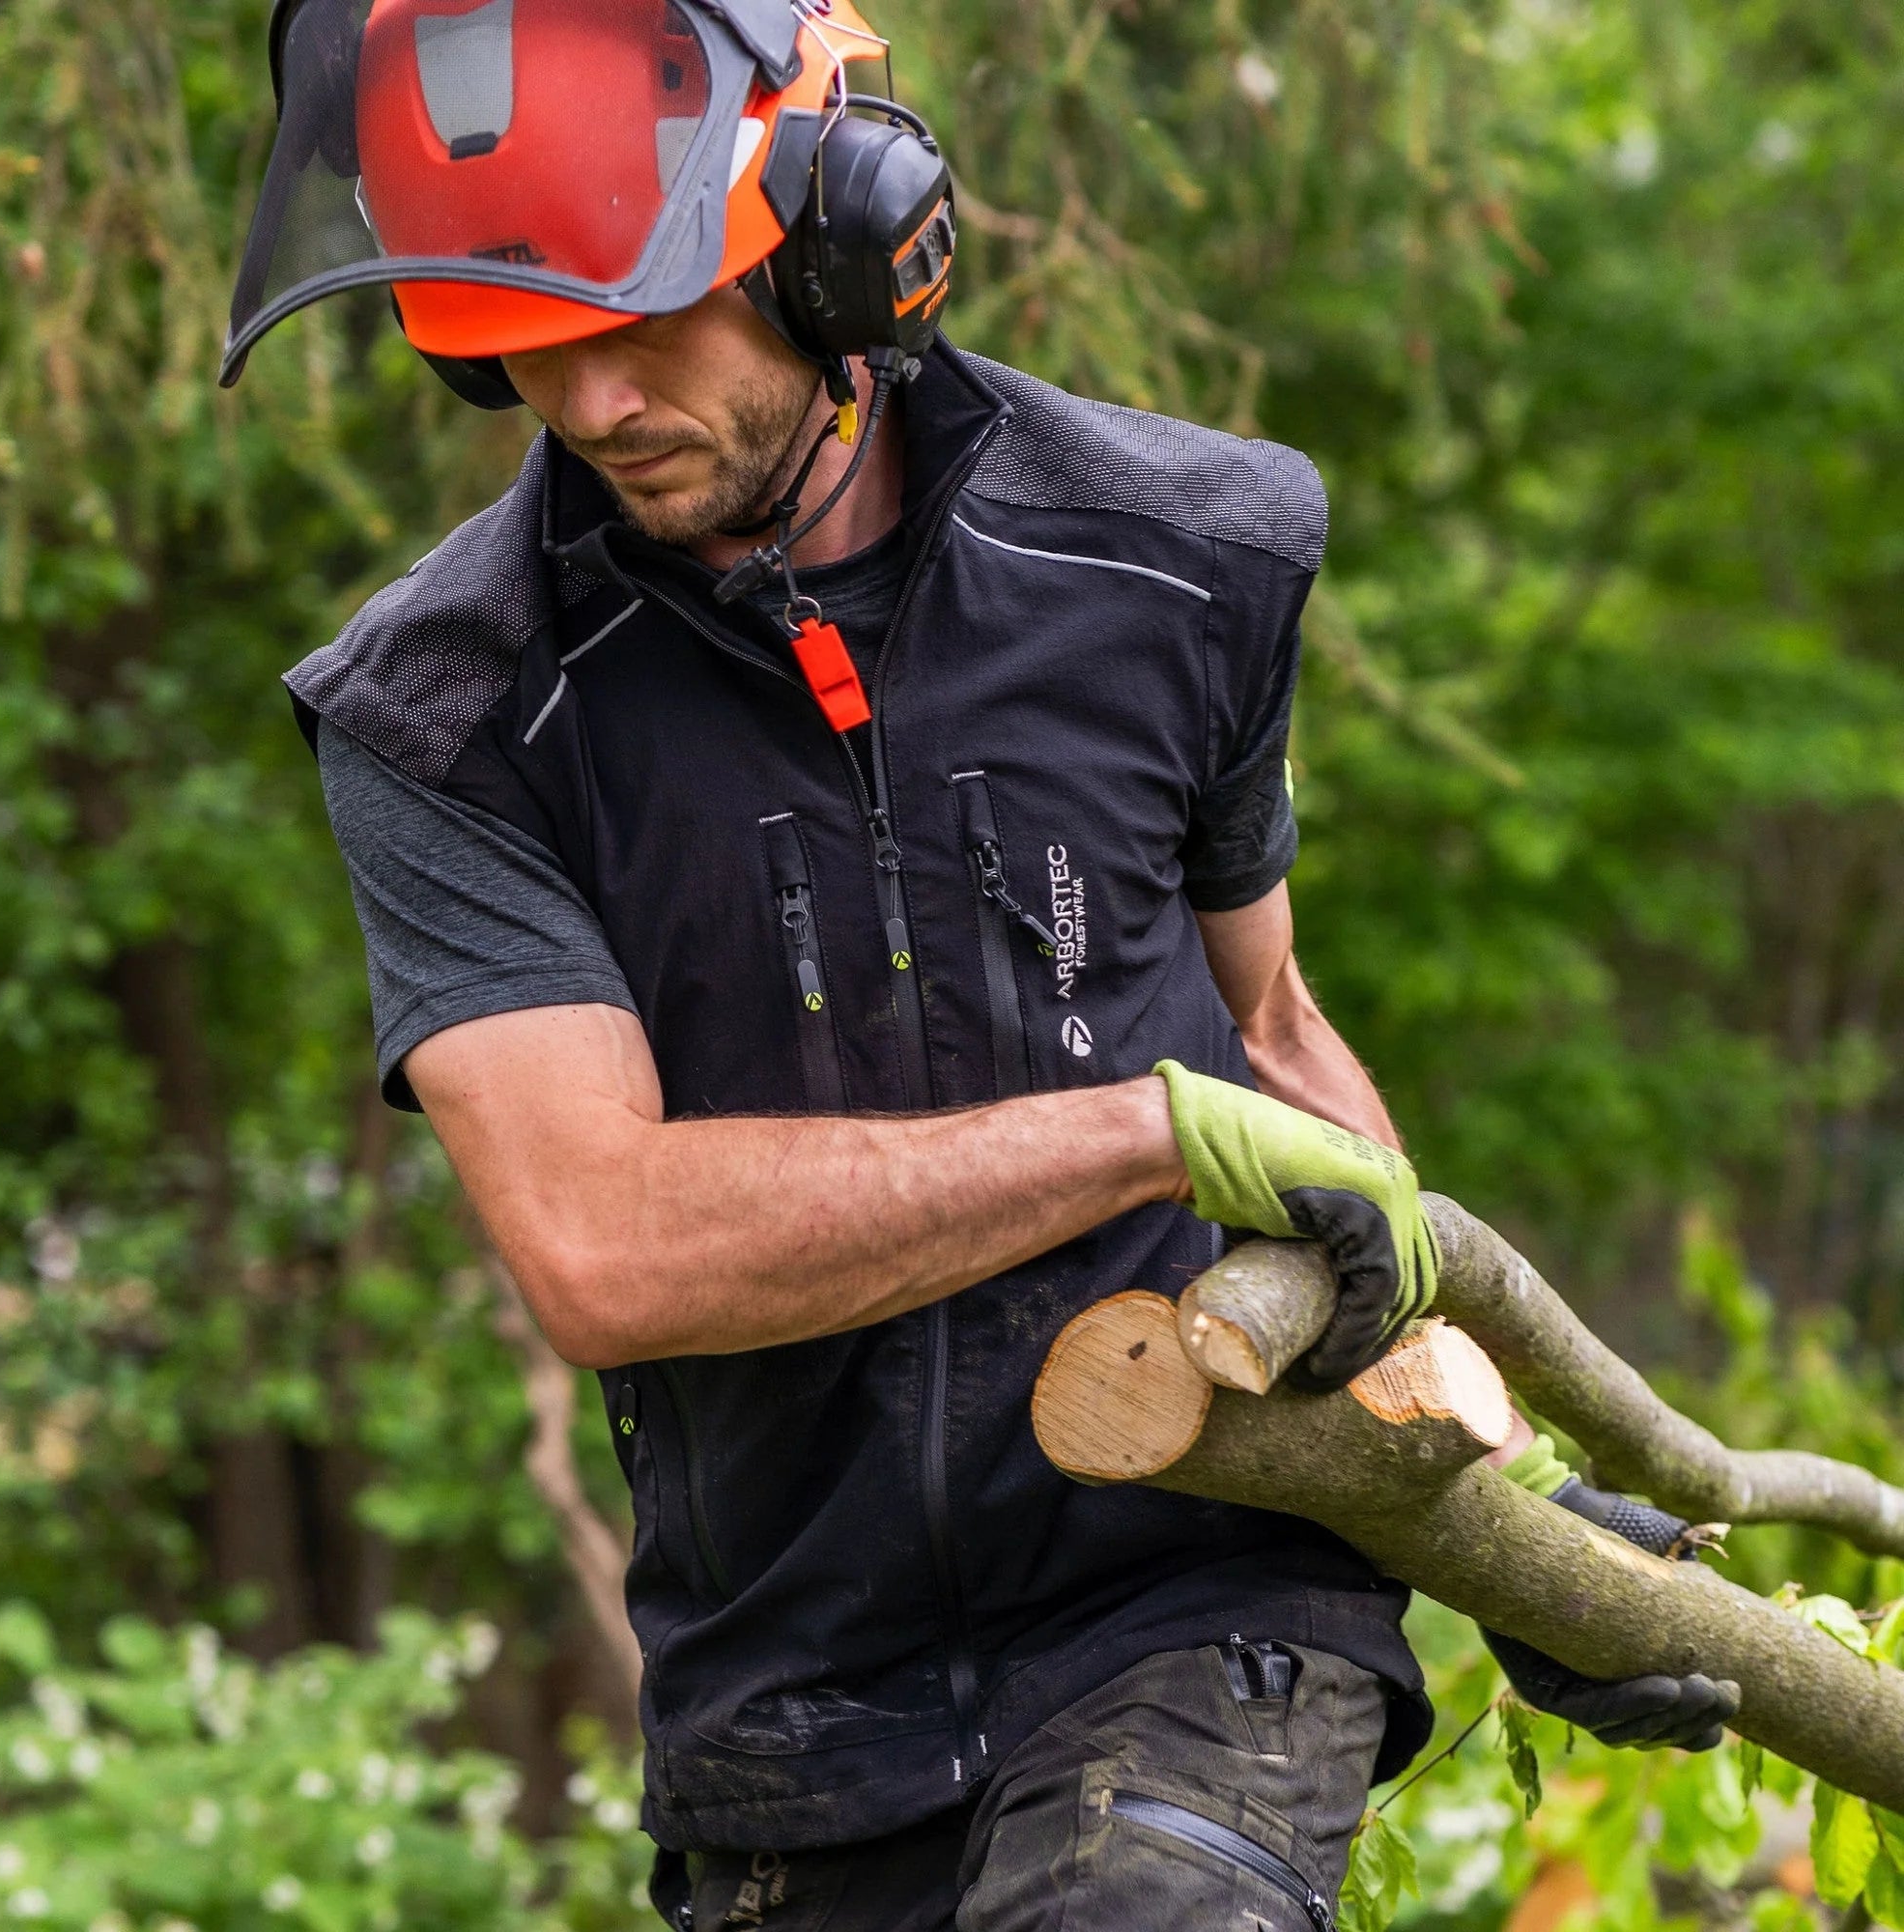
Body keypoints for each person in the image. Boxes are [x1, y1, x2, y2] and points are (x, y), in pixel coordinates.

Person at [225, 2, 1740, 1924]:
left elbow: (1272, 1039)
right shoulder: (444, 711)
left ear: (831, 230)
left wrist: (1496, 1517)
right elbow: (601, 1246)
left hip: (1194, 1595)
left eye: (634, 322)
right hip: (792, 1713)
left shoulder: (1183, 555)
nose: (592, 403)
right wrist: (1127, 1132)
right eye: (523, 350)